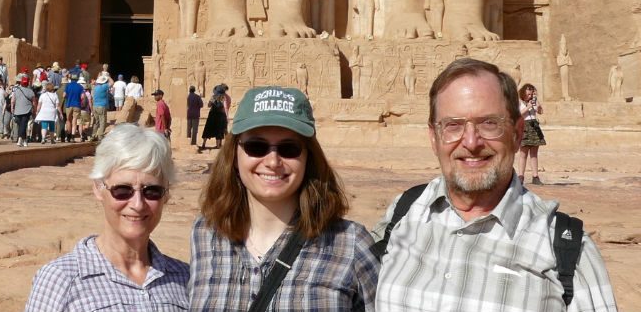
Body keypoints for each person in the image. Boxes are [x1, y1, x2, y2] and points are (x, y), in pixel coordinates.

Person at [372, 58, 618, 311]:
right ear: (434, 138)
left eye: (489, 123)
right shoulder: (400, 216)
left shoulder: (568, 250)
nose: (471, 141)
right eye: (453, 125)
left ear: (517, 133)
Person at [189, 86, 379, 310]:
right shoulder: (206, 234)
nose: (272, 161)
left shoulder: (350, 244)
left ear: (309, 156)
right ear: (234, 154)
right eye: (256, 146)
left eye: (289, 148)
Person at [25, 123, 188, 311]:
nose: (137, 204)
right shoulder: (61, 280)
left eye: (152, 191)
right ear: (98, 188)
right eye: (122, 190)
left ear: (166, 194)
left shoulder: (186, 279)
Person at [517, 83, 546, 185]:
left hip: (534, 126)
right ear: (523, 93)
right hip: (524, 126)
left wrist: (537, 105)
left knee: (534, 153)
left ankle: (535, 176)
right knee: (523, 153)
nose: (530, 95)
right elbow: (518, 114)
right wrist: (528, 107)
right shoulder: (519, 102)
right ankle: (520, 176)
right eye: (528, 93)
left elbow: (540, 112)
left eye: (531, 93)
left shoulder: (534, 101)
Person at [200, 85, 228, 151]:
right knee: (218, 130)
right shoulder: (223, 98)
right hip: (220, 115)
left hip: (212, 115)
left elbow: (209, 105)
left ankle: (204, 144)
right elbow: (225, 107)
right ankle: (218, 145)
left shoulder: (213, 97)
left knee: (207, 129)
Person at [12, 76, 37, 147]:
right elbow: (34, 102)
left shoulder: (16, 90)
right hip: (27, 110)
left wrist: (12, 109)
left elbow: (13, 101)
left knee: (22, 125)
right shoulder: (30, 91)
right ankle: (24, 139)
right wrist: (34, 111)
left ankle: (20, 140)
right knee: (23, 126)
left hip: (17, 110)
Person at [63, 74, 85, 142]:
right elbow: (82, 97)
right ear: (77, 79)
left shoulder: (67, 86)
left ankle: (68, 135)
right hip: (77, 105)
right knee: (74, 120)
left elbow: (64, 95)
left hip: (68, 105)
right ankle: (73, 136)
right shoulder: (80, 87)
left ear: (71, 79)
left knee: (68, 120)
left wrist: (68, 97)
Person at [92, 72, 111, 141]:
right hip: (102, 106)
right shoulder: (104, 86)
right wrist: (107, 76)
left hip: (95, 106)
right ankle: (100, 135)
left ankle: (93, 135)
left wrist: (100, 77)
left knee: (96, 122)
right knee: (102, 121)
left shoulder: (95, 87)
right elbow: (112, 83)